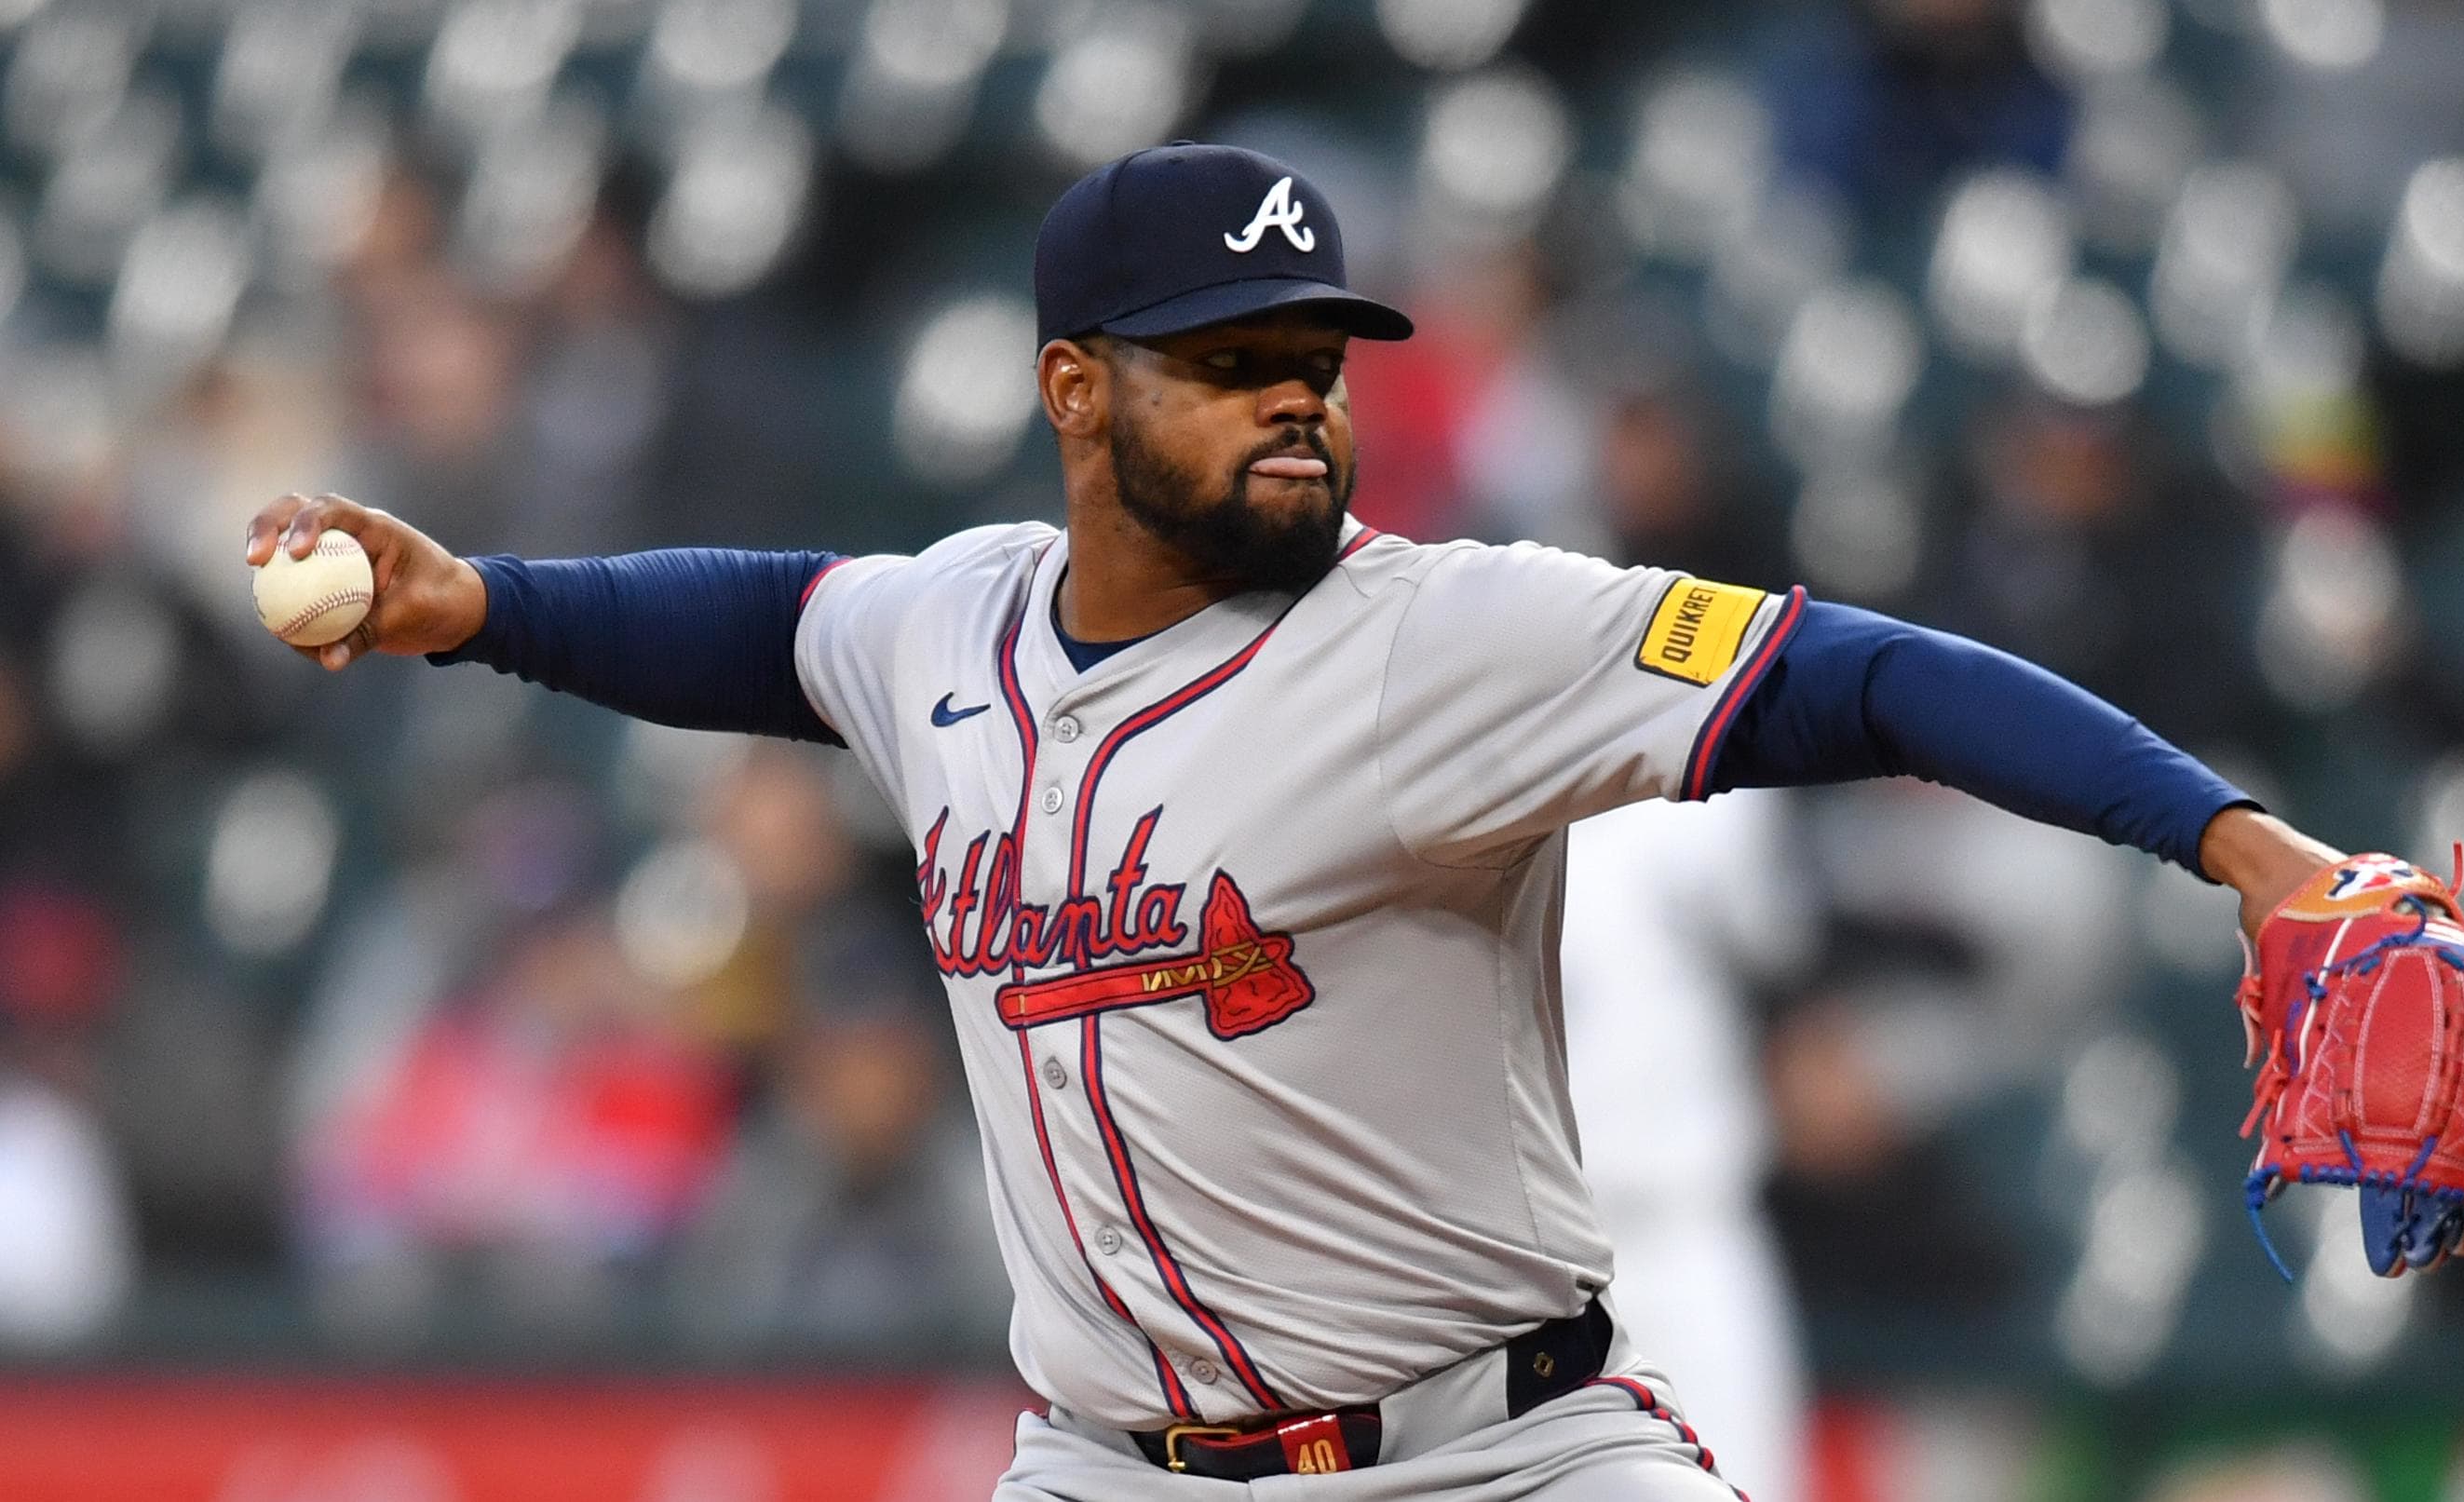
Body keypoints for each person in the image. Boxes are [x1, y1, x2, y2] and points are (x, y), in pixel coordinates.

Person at [246, 143, 2340, 1499]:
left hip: (1498, 1464)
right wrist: (481, 609)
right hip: (1108, 1469)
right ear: (1077, 391)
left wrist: (2246, 851)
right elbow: (754, 623)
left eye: (1318, 357)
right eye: (1229, 359)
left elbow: (1870, 675)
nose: (1299, 401)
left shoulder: (1452, 640)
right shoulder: (948, 626)